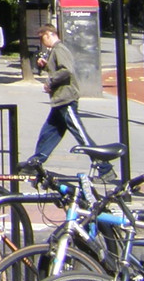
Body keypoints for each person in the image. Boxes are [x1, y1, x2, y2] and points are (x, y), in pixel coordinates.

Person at [19, 25, 100, 175]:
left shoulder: (60, 49)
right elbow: (58, 69)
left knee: (80, 135)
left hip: (66, 99)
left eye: (42, 38)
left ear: (50, 35)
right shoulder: (54, 51)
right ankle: (35, 163)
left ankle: (104, 166)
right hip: (59, 101)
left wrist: (50, 82)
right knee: (48, 134)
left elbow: (66, 70)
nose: (42, 42)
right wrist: (45, 66)